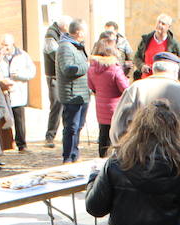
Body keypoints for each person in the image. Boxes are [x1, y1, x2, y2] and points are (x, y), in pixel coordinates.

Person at [112, 54, 180, 147]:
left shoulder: (134, 89)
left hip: (139, 156)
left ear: (154, 69)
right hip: (177, 158)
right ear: (176, 71)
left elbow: (117, 131)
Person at [55, 20, 90, 164]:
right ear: (79, 32)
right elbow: (68, 69)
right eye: (85, 31)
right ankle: (68, 157)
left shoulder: (79, 46)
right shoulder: (65, 47)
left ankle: (75, 154)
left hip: (82, 94)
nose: (86, 34)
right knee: (71, 127)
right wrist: (87, 66)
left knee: (79, 126)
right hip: (71, 95)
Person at [88, 35, 129, 157]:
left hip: (100, 107)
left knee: (103, 135)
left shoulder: (92, 68)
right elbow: (125, 88)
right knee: (117, 136)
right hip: (115, 107)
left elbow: (91, 86)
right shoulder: (115, 69)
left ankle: (102, 159)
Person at [0, 34, 36, 153]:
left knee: (19, 119)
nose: (4, 47)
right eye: (3, 44)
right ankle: (6, 143)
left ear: (13, 44)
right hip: (3, 91)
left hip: (18, 92)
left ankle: (22, 144)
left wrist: (19, 76)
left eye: (7, 45)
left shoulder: (23, 55)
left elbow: (32, 72)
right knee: (4, 118)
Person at [43, 15, 69, 147]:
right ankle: (50, 136)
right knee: (56, 104)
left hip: (62, 76)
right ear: (63, 26)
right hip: (54, 76)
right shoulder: (51, 35)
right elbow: (54, 54)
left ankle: (66, 135)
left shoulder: (63, 34)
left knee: (65, 105)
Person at [132, 14, 180, 79]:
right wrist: (142, 66)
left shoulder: (174, 44)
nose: (159, 25)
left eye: (163, 24)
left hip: (164, 80)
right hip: (146, 79)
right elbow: (137, 57)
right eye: (158, 22)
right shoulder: (146, 40)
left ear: (168, 27)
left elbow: (179, 61)